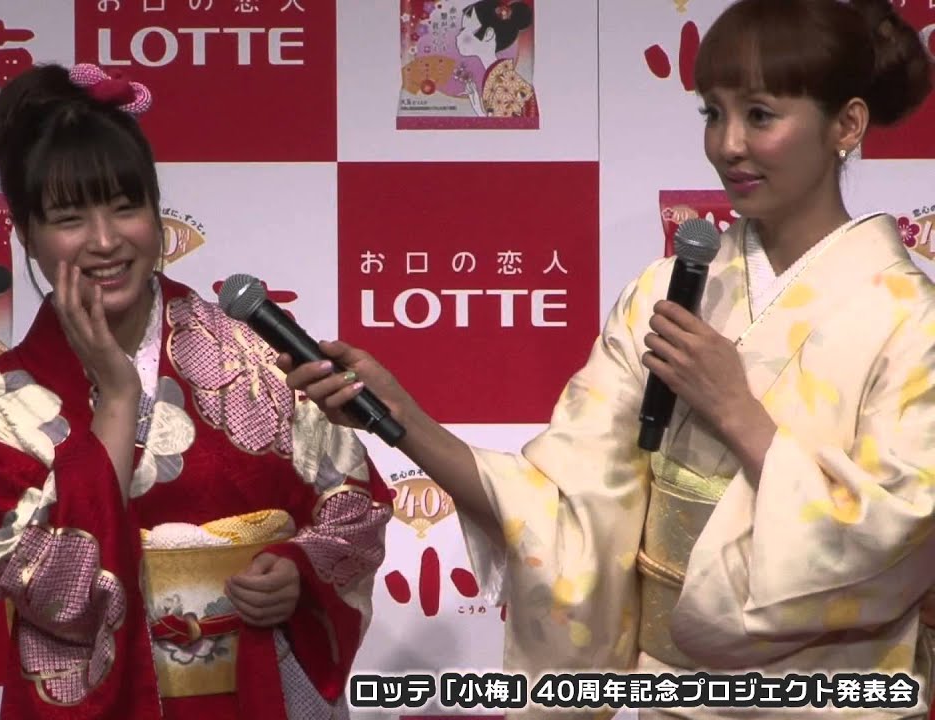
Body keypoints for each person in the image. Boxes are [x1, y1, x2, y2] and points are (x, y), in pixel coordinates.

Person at [284, 0, 935, 718]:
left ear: (846, 125)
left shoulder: (912, 320)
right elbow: (564, 510)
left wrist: (736, 410)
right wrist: (402, 420)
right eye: (712, 114)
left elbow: (898, 532)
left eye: (759, 115)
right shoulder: (665, 292)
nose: (728, 145)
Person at [0, 61, 392, 720]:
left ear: (157, 216)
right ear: (27, 236)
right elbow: (54, 589)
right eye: (69, 217)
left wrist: (299, 569)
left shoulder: (252, 354)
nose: (105, 241)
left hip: (253, 697)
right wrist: (118, 397)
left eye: (126, 207)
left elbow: (354, 509)